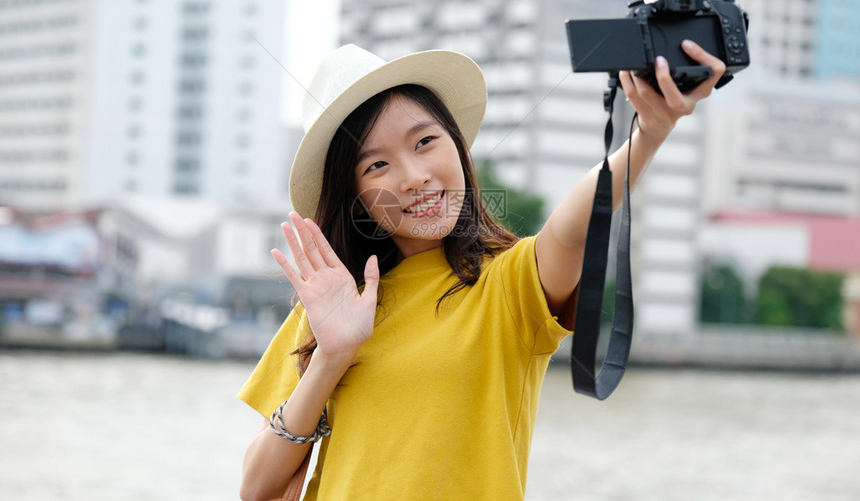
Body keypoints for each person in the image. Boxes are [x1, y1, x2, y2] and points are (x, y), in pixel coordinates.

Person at [238, 42, 725, 501]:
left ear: (458, 147)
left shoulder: (509, 283)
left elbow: (574, 228)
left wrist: (649, 133)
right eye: (377, 165)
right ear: (358, 202)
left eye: (425, 141)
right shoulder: (331, 306)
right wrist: (331, 356)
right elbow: (256, 486)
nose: (412, 177)